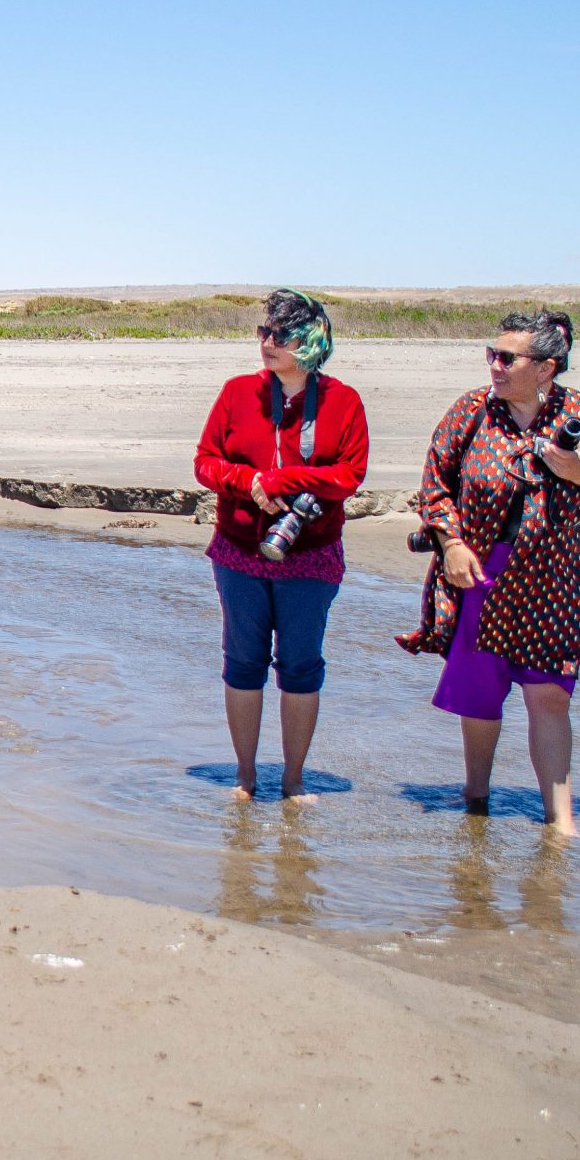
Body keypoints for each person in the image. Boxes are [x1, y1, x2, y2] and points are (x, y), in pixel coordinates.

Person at [397, 309, 580, 837]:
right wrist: (452, 544)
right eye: (491, 354)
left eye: (507, 357)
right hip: (481, 569)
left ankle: (561, 823)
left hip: (556, 579)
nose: (495, 366)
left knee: (550, 693)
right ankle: (476, 801)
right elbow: (434, 486)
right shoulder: (471, 412)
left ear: (547, 367)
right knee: (481, 695)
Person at [191, 289, 370, 803]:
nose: (267, 343)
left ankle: (294, 780)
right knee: (242, 661)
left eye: (280, 336)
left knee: (300, 665)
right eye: (263, 333)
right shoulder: (236, 392)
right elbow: (204, 462)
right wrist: (249, 483)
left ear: (311, 342)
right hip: (238, 551)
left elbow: (349, 475)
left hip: (311, 556)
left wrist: (283, 483)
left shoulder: (344, 401)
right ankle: (245, 778)